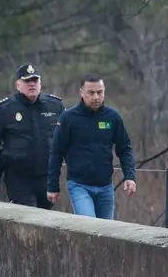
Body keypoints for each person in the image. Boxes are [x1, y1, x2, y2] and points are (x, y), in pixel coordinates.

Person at [47, 75, 136, 219]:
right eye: (91, 92)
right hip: (79, 185)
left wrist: (130, 176)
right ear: (82, 92)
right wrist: (52, 186)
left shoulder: (112, 117)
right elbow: (56, 153)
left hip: (105, 187)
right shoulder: (68, 118)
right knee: (90, 227)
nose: (96, 97)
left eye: (99, 92)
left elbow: (125, 148)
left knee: (106, 234)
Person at [0, 64, 65, 208]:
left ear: (40, 83)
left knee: (46, 221)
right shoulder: (4, 109)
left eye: (35, 80)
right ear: (18, 85)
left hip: (46, 176)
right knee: (28, 218)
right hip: (18, 177)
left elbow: (66, 140)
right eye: (27, 81)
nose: (32, 84)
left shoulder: (55, 106)